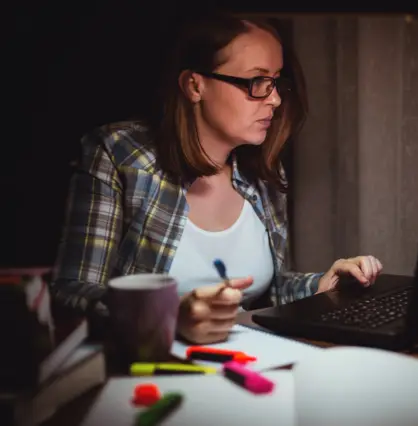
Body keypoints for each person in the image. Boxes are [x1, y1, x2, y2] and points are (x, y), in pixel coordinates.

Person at [50, 13, 383, 344]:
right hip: (149, 369)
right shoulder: (119, 154)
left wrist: (321, 286)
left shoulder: (264, 174)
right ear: (195, 85)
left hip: (251, 363)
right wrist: (167, 316)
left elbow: (271, 291)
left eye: (277, 81)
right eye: (256, 82)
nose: (276, 99)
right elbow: (71, 293)